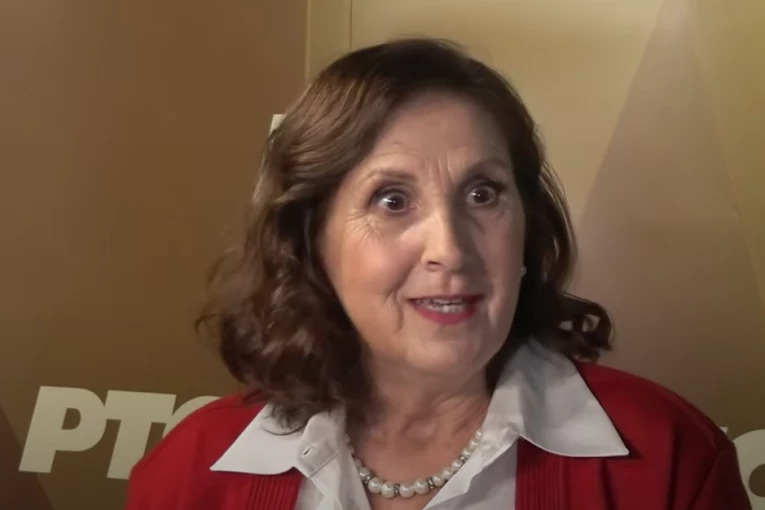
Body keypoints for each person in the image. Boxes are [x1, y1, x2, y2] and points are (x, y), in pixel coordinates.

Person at [125, 38, 751, 510]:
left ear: (526, 227)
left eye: (483, 194)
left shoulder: (671, 460)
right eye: (392, 200)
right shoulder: (188, 471)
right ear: (313, 240)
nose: (450, 250)